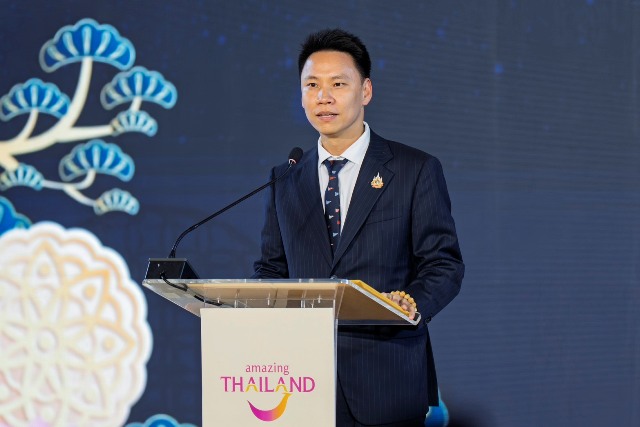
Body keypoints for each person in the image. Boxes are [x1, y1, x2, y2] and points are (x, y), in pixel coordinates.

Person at [253, 28, 464, 427]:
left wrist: (411, 304)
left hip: (386, 380)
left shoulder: (413, 169)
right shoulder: (285, 179)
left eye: (338, 84)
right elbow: (271, 269)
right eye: (312, 85)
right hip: (299, 382)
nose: (324, 97)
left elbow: (444, 264)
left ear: (365, 91)